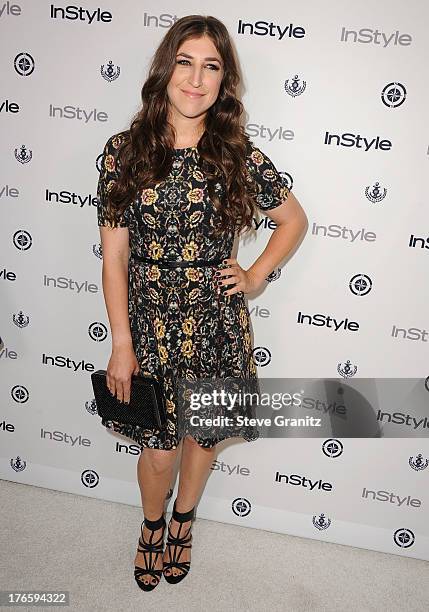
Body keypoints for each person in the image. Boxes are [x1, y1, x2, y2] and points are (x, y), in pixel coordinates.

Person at [96, 14, 307, 591]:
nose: (196, 78)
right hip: (151, 325)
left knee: (204, 435)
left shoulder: (235, 152)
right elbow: (114, 258)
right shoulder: (125, 152)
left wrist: (256, 274)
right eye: (186, 62)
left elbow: (292, 221)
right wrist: (121, 342)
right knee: (158, 450)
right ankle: (152, 525)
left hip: (217, 322)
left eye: (211, 66)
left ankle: (184, 521)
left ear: (223, 80)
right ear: (166, 70)